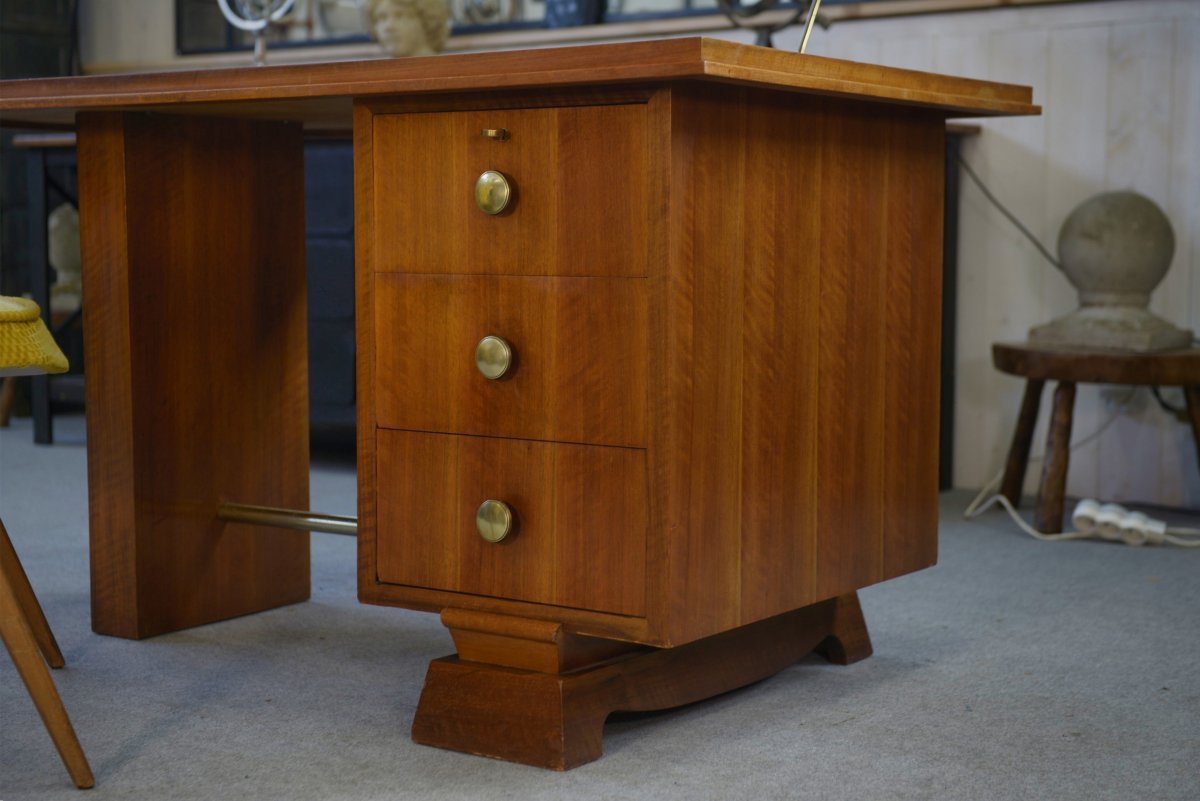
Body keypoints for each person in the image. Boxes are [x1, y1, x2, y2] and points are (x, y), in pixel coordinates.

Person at [365, 0, 448, 57]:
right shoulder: (376, 76)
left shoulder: (450, 72)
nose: (389, 26)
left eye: (400, 16)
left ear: (427, 19)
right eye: (382, 18)